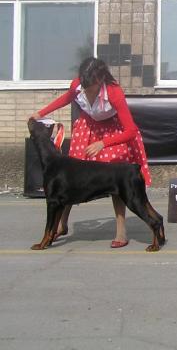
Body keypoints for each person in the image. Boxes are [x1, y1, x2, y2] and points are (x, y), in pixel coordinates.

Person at [29, 57, 151, 248]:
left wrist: (103, 143)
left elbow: (131, 131)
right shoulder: (78, 84)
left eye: (90, 86)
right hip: (88, 127)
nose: (85, 90)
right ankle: (61, 225)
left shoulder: (114, 92)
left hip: (112, 132)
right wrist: (41, 113)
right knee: (70, 176)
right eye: (83, 85)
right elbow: (66, 98)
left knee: (115, 176)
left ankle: (121, 232)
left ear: (100, 79)